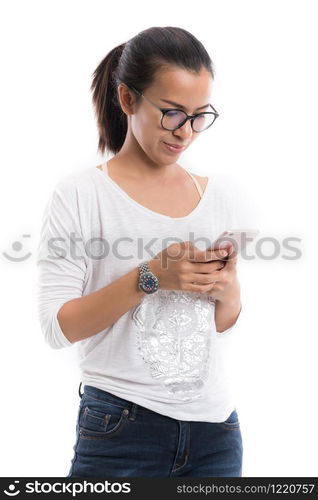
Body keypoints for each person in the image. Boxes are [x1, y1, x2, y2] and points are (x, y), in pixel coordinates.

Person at [36, 26, 257, 478]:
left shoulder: (222, 197)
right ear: (127, 99)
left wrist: (228, 291)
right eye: (173, 113)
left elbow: (219, 323)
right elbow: (58, 327)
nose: (187, 132)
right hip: (120, 429)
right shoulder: (80, 194)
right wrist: (151, 276)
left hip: (216, 435)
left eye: (200, 115)